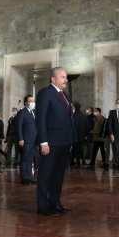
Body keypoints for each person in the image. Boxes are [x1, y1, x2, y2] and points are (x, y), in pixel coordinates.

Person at [36, 67, 75, 215]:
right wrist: (43, 142)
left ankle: (55, 203)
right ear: (53, 79)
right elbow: (41, 119)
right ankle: (43, 206)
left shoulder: (64, 95)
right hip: (50, 143)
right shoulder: (45, 93)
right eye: (62, 77)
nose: (66, 80)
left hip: (64, 142)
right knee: (46, 175)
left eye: (66, 77)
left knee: (58, 176)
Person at [18, 95, 38, 184]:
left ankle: (30, 176)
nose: (33, 103)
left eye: (33, 101)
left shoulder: (33, 112)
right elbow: (19, 126)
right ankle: (24, 177)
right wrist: (21, 138)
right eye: (30, 101)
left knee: (30, 159)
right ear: (26, 102)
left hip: (33, 140)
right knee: (25, 159)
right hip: (26, 140)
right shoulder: (22, 112)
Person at [106, 99, 119, 168]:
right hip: (114, 134)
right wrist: (111, 134)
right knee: (115, 149)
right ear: (115, 104)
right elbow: (109, 124)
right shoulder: (112, 112)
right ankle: (116, 163)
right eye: (117, 103)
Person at [71, 102, 88, 167]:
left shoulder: (73, 116)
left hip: (75, 136)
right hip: (82, 136)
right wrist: (85, 135)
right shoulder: (84, 116)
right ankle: (82, 161)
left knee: (74, 149)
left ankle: (75, 162)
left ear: (75, 107)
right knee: (81, 149)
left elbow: (72, 126)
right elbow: (87, 126)